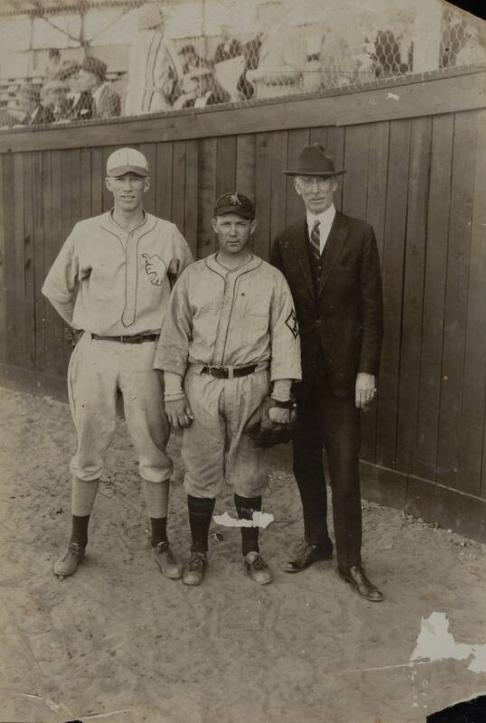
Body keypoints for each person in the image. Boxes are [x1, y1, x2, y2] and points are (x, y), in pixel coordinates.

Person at [41, 147, 193, 579]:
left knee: (153, 449)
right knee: (89, 447)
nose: (128, 187)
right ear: (108, 184)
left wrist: (172, 343)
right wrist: (85, 326)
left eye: (135, 179)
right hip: (97, 350)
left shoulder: (166, 234)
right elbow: (56, 288)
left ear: (147, 183)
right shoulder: (86, 231)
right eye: (120, 179)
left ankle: (160, 542)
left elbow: (188, 293)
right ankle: (76, 543)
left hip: (148, 351)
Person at [154, 192, 301, 587]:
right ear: (215, 225)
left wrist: (281, 395)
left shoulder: (272, 279)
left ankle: (251, 551)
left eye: (241, 223)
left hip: (252, 383)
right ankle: (199, 551)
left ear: (252, 227)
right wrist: (172, 391)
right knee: (201, 470)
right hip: (202, 383)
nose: (233, 231)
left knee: (250, 474)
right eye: (226, 222)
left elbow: (285, 340)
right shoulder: (194, 276)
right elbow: (174, 337)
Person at [271, 144, 384, 602]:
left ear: (335, 184)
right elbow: (279, 315)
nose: (314, 190)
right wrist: (281, 378)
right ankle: (317, 540)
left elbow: (373, 311)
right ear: (296, 186)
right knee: (304, 463)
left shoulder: (359, 235)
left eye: (322, 181)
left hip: (342, 380)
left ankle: (351, 562)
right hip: (301, 377)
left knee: (343, 468)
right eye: (306, 182)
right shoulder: (285, 240)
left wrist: (366, 372)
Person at [125, 2, 183, 116]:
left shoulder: (133, 42)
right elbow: (179, 74)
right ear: (158, 22)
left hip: (131, 100)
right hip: (153, 98)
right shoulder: (162, 39)